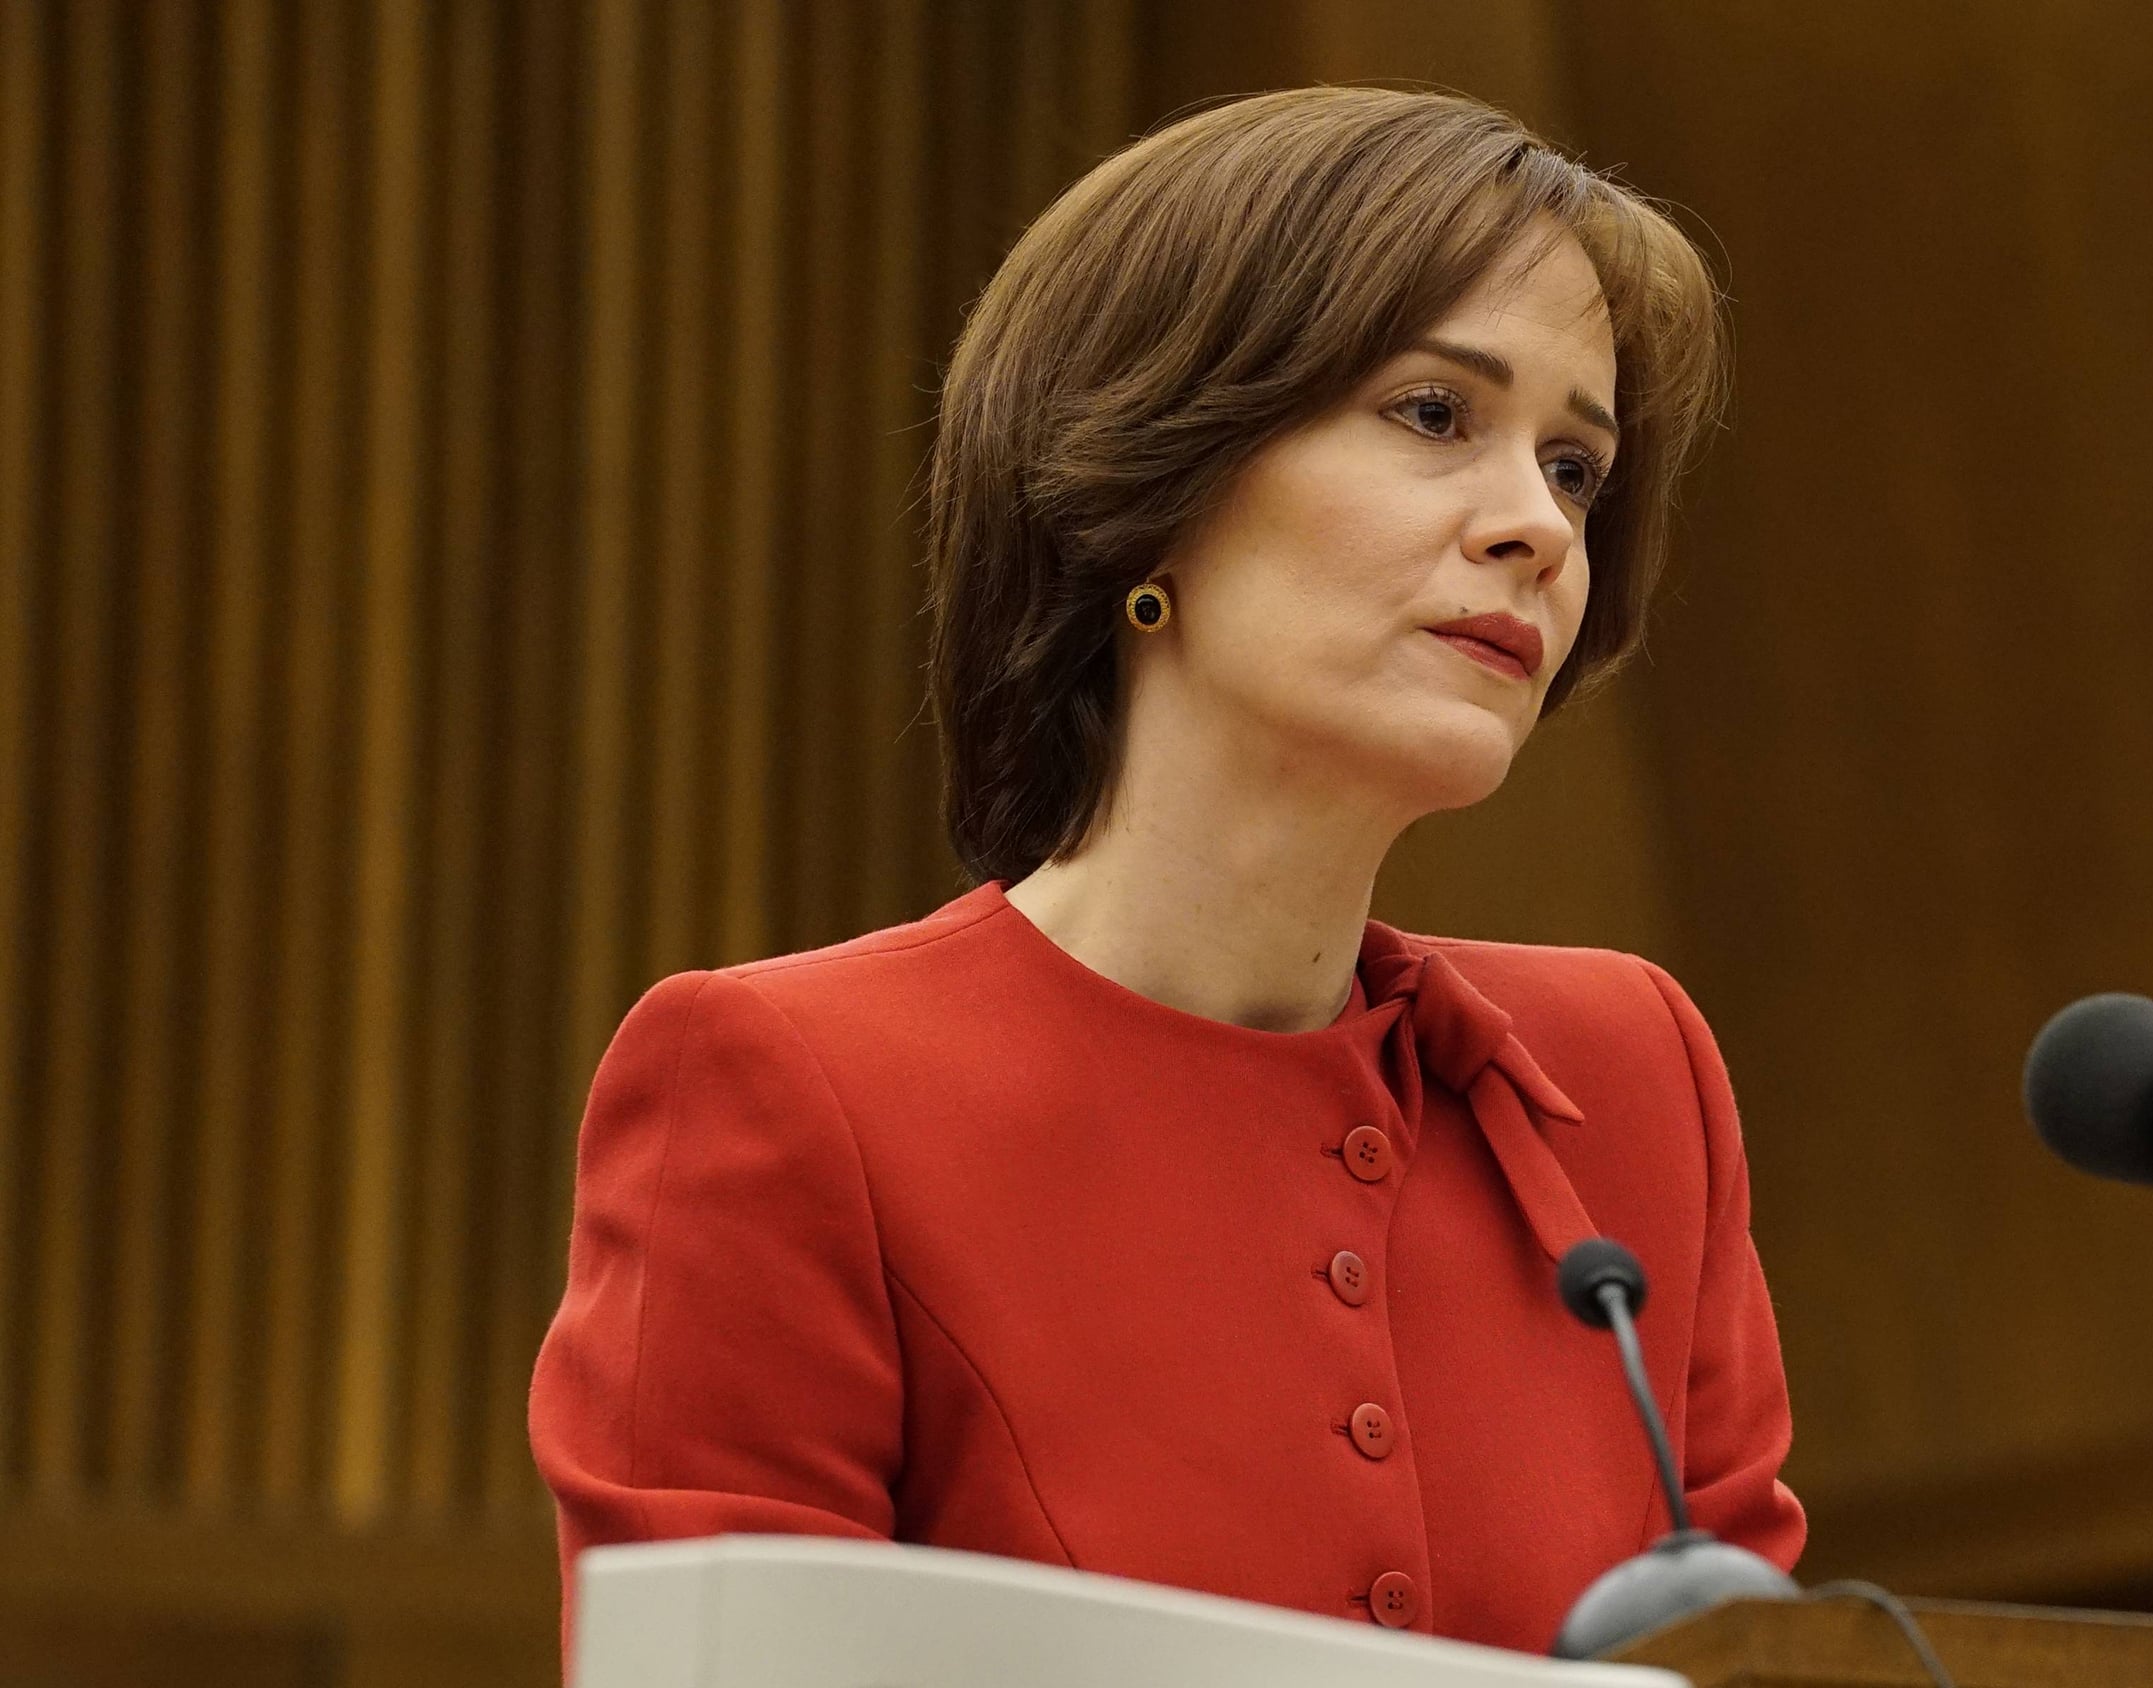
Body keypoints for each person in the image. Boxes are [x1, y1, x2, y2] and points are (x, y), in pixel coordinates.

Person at [528, 85, 1802, 1655]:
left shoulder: (1633, 1081)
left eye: (1577, 468)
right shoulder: (784, 1086)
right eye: (1433, 415)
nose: (1536, 524)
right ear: (1159, 475)